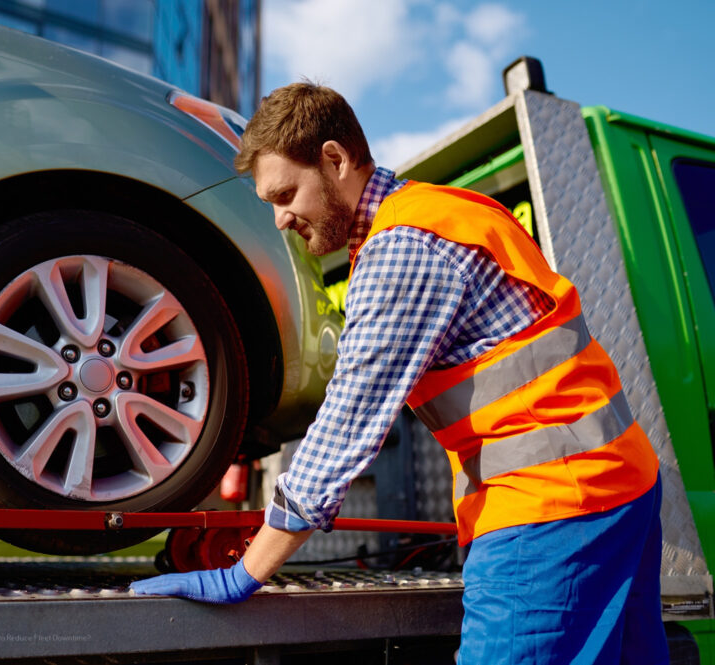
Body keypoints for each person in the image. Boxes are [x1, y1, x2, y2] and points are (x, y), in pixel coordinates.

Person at [131, 82, 667, 664]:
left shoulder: (402, 250)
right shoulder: (441, 211)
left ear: (334, 160)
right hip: (619, 483)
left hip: (554, 510)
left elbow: (347, 425)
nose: (281, 218)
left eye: (285, 194)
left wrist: (245, 574)